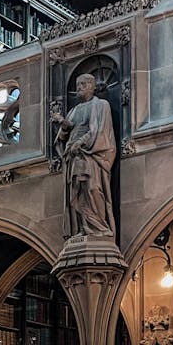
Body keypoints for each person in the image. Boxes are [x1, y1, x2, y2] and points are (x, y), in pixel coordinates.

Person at [55, 73, 117, 239]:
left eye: (83, 84)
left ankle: (99, 227)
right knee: (77, 191)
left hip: (91, 154)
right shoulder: (74, 110)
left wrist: (81, 142)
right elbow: (64, 134)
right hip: (74, 156)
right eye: (77, 85)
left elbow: (101, 130)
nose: (79, 88)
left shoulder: (101, 105)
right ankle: (83, 229)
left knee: (92, 188)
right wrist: (62, 122)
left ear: (92, 86)